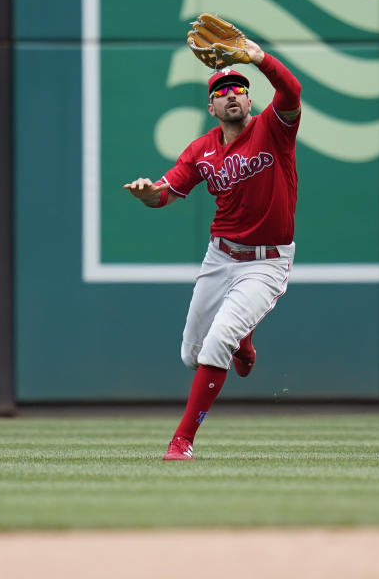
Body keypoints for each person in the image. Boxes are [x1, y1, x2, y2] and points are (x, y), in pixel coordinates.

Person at [124, 39, 301, 461]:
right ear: (211, 108)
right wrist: (148, 194)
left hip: (266, 261)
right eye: (220, 92)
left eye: (238, 88)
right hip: (220, 257)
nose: (231, 95)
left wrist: (256, 57)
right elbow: (166, 193)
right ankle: (244, 341)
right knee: (192, 354)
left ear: (249, 97)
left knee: (217, 341)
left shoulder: (273, 129)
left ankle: (181, 441)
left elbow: (292, 91)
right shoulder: (202, 150)